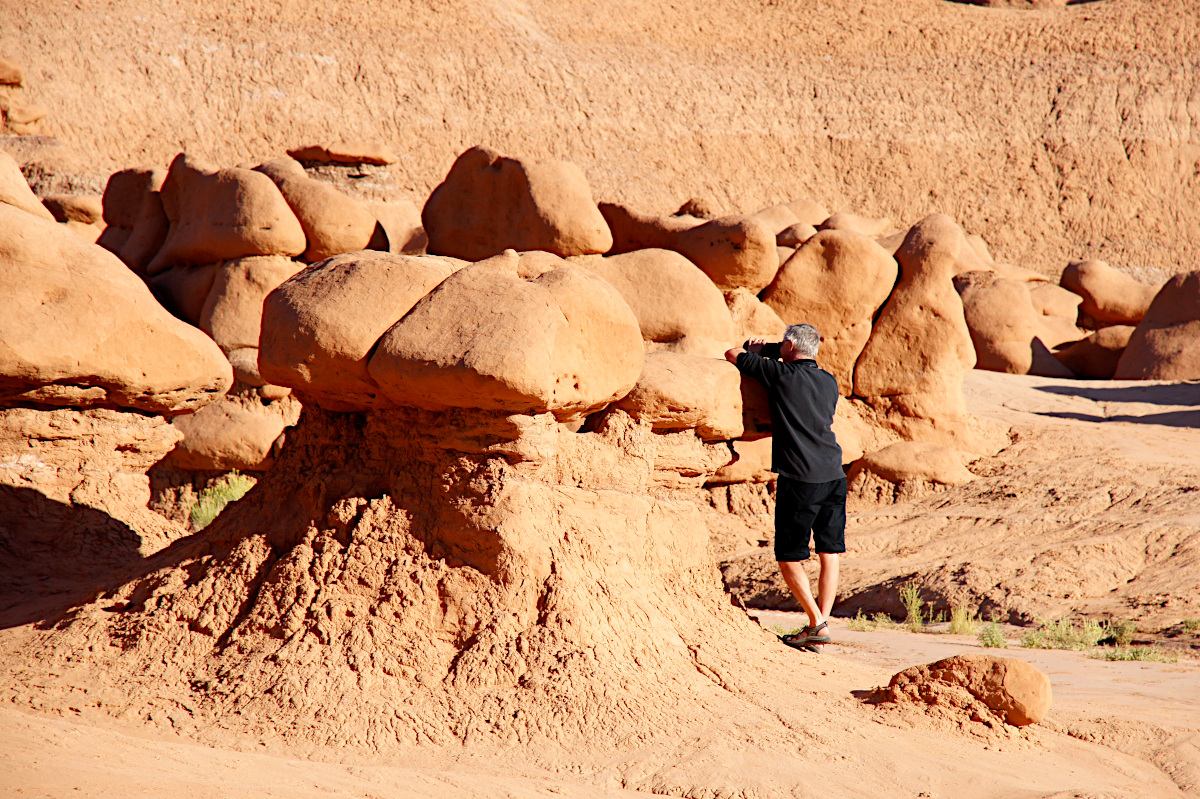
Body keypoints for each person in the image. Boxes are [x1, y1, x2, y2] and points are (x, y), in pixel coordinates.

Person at [725, 324, 845, 652]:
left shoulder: (780, 374)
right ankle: (820, 625)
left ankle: (816, 624)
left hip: (800, 477)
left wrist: (764, 349)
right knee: (829, 552)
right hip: (834, 473)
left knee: (788, 555)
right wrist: (783, 349)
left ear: (789, 344)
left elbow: (733, 354)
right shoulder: (829, 381)